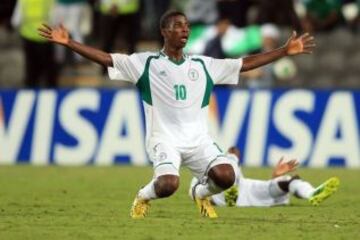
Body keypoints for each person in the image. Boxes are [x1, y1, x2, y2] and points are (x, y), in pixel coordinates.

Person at [37, 10, 315, 219]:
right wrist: (70, 43)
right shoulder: (144, 63)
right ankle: (142, 196)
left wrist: (284, 51)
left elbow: (243, 64)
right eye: (178, 26)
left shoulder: (203, 65)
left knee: (227, 176)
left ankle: (200, 193)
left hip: (198, 141)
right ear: (164, 31)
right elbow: (107, 58)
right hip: (164, 140)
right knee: (169, 185)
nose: (185, 30)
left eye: (187, 26)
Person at [189, 147, 340, 207]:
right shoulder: (207, 167)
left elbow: (194, 194)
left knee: (285, 180)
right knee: (231, 160)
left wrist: (275, 176)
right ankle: (230, 194)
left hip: (244, 189)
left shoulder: (220, 165)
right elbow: (195, 193)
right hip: (228, 193)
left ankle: (313, 193)